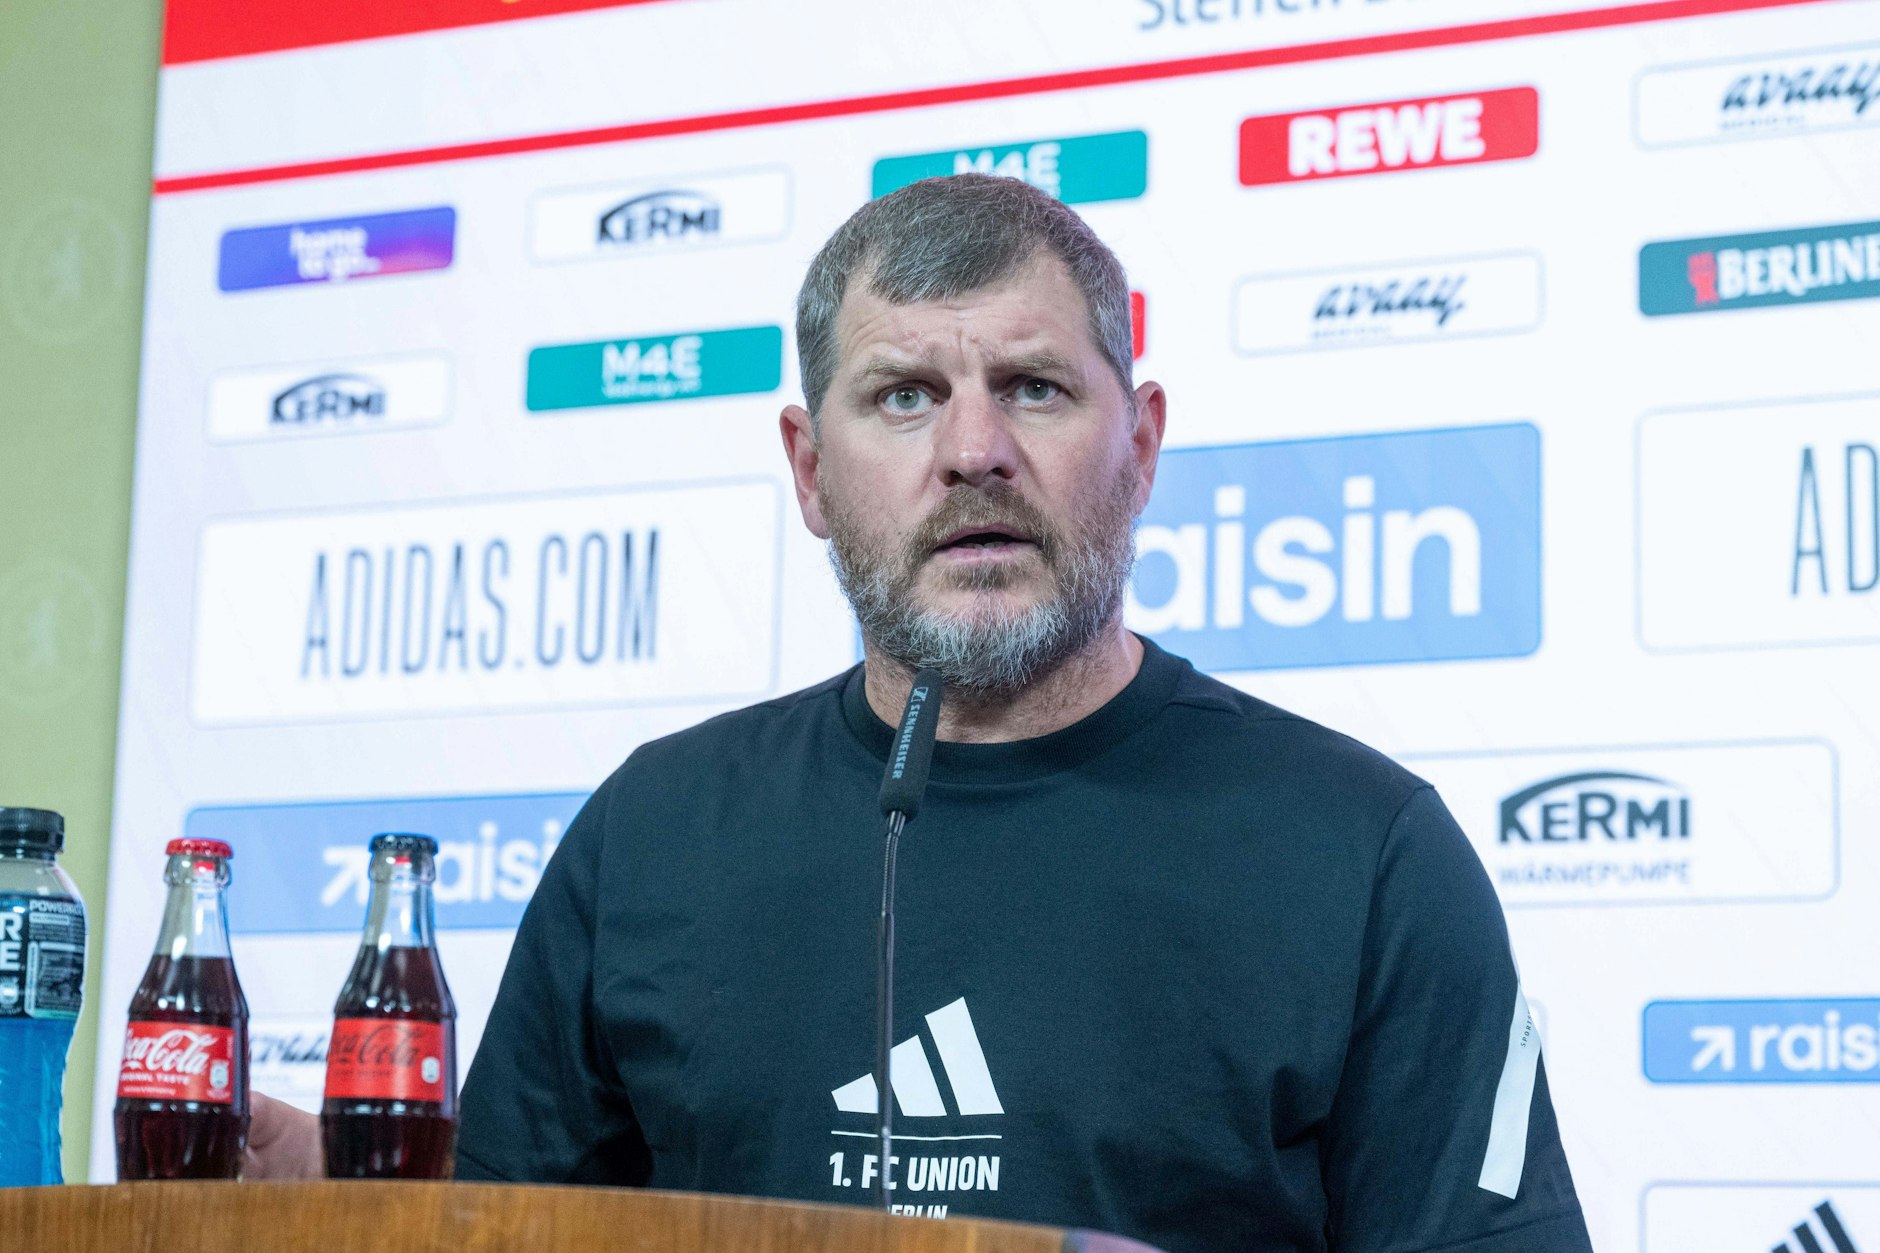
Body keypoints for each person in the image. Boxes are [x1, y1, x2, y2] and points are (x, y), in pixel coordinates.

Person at [249, 174, 1592, 1253]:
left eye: (1035, 387)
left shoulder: (1363, 850)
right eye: (904, 395)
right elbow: (508, 1228)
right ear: (809, 467)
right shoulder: (651, 831)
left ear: (1142, 444)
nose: (973, 450)